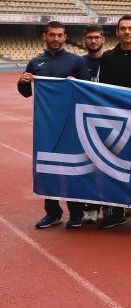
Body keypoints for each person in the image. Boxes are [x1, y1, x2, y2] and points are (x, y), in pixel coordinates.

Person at [17, 21, 90, 229]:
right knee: (47, 167)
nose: (56, 39)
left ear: (65, 37)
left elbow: (88, 90)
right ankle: (53, 212)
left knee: (73, 166)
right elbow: (26, 93)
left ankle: (76, 212)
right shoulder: (35, 62)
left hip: (71, 122)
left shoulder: (76, 61)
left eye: (59, 35)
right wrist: (23, 82)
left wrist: (77, 82)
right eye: (52, 35)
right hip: (46, 124)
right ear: (44, 36)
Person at [98, 15, 131, 230]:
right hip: (117, 119)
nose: (127, 32)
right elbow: (101, 90)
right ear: (118, 32)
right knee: (115, 166)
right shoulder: (108, 57)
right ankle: (116, 211)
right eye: (123, 28)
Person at [80, 24, 107, 222]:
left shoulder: (111, 61)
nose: (93, 41)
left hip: (110, 119)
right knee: (88, 164)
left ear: (103, 40)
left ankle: (110, 205)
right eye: (90, 37)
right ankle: (90, 205)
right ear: (84, 40)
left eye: (97, 37)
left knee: (109, 163)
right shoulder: (77, 63)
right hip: (86, 119)